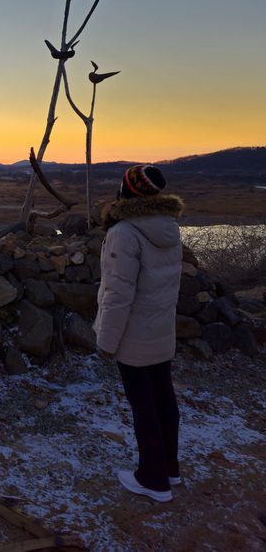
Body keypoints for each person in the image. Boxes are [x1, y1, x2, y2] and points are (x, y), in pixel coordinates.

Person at [94, 164, 184, 503]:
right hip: (161, 330)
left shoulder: (124, 233)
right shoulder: (169, 228)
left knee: (143, 404)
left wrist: (106, 341)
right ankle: (170, 468)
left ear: (128, 191)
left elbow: (118, 294)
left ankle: (152, 478)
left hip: (133, 337)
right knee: (163, 397)